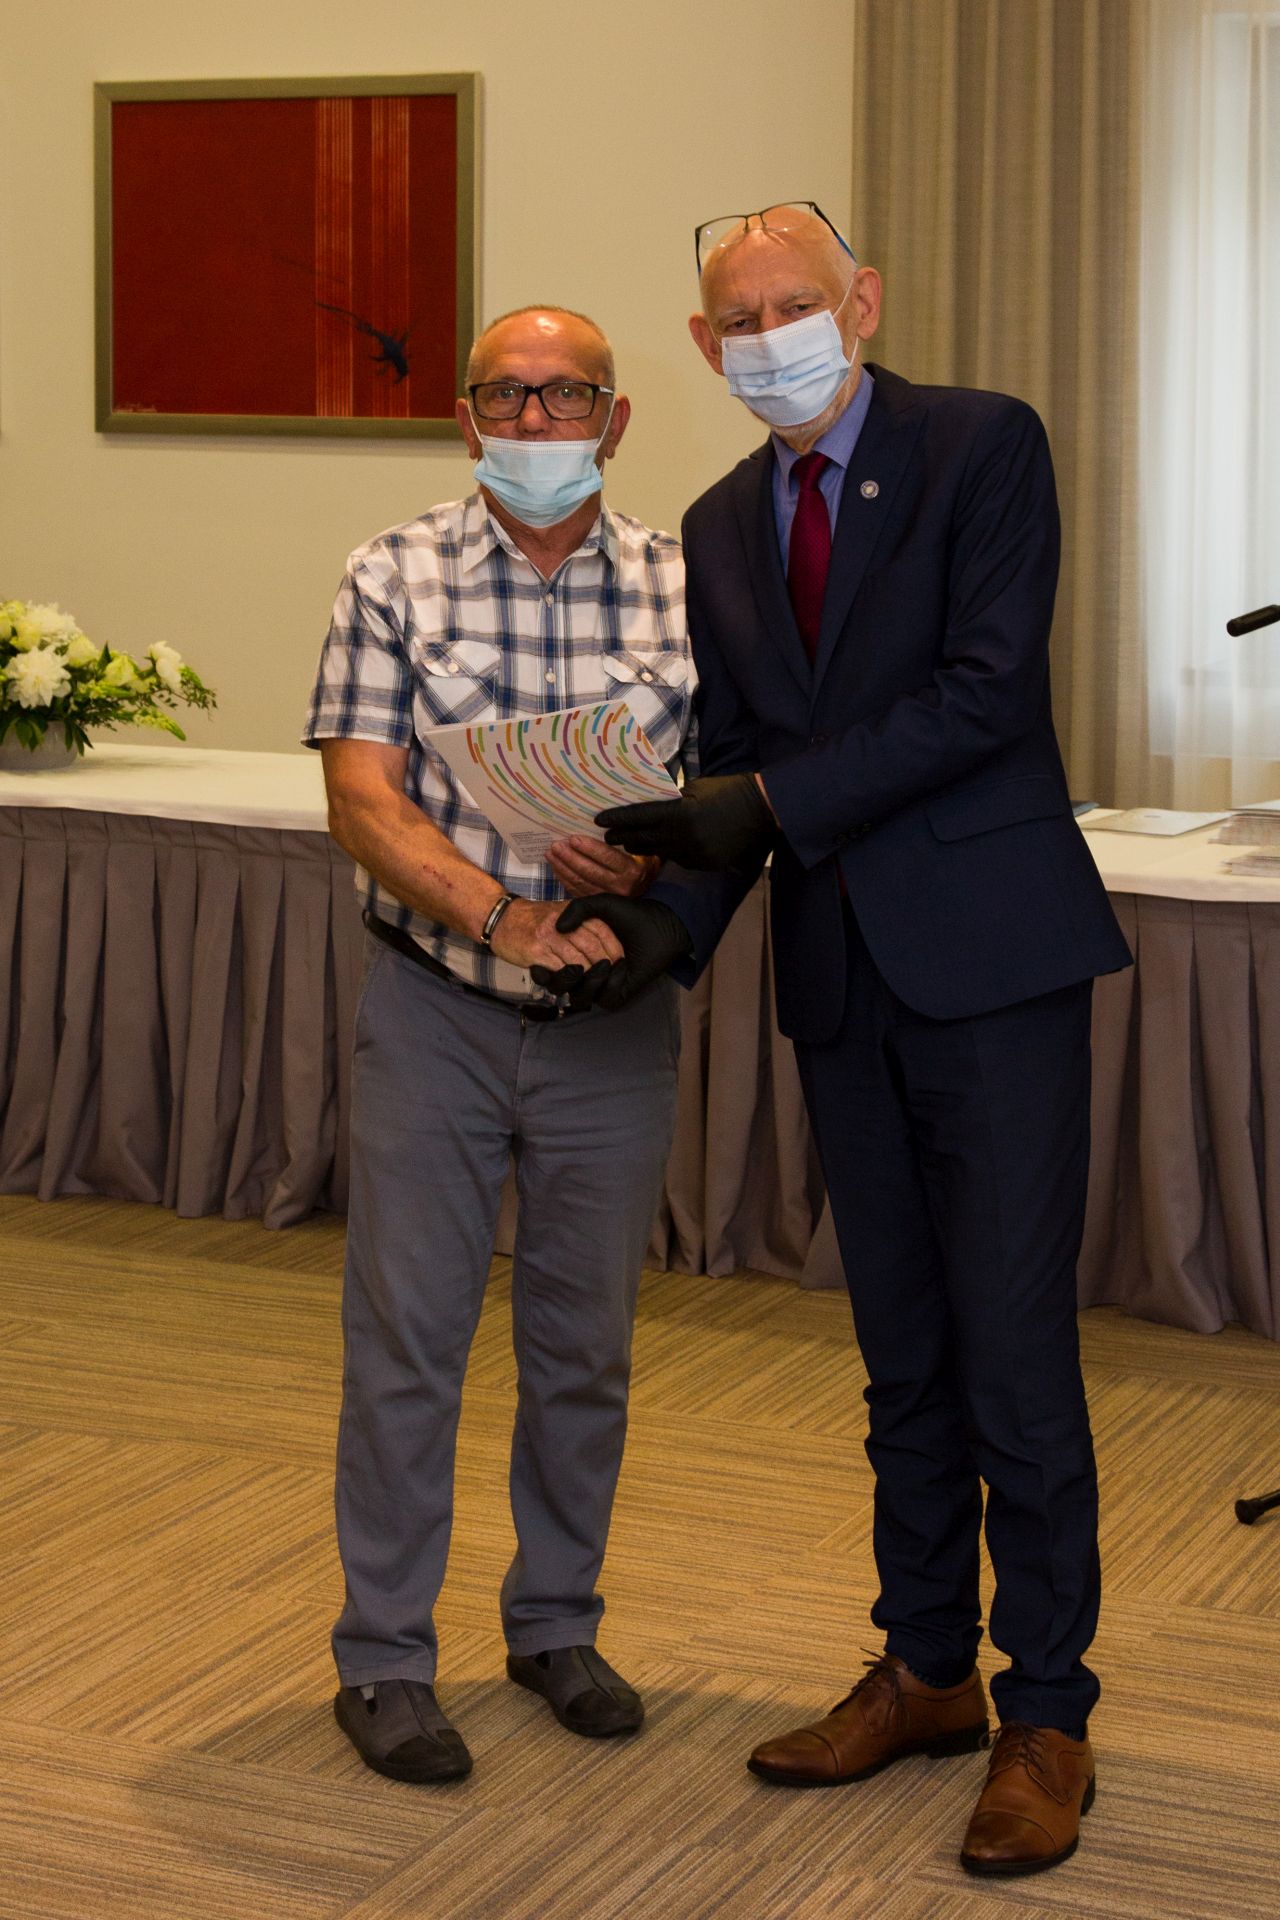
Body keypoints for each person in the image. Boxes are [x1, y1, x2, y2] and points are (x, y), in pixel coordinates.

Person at [555, 204, 1132, 1876]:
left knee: (1014, 1356)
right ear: (702, 344)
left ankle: (1047, 1713)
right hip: (841, 983)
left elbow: (983, 696)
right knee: (902, 1359)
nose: (771, 335)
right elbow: (735, 763)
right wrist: (664, 929)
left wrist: (756, 806)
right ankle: (929, 1668)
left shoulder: (981, 446)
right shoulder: (723, 522)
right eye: (738, 319)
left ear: (861, 301)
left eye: (795, 302)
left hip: (992, 966)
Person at [303, 305, 692, 1785]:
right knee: (408, 1344)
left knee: (584, 1348)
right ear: (467, 419)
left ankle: (555, 1624)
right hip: (437, 1009)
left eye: (566, 396)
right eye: (506, 397)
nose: (536, 423)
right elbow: (362, 796)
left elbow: (730, 790)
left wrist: (650, 867)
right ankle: (385, 1658)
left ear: (615, 418)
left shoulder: (686, 584)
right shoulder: (391, 572)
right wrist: (501, 917)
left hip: (613, 1027)